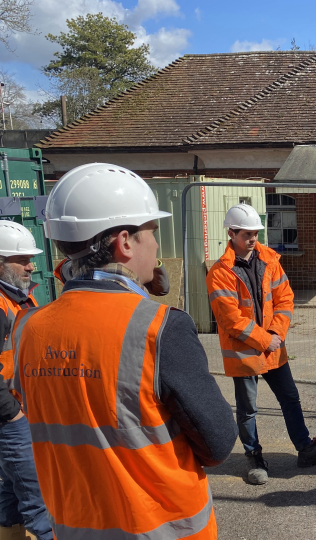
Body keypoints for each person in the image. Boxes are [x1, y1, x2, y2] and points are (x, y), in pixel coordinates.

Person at [11, 163, 238, 540]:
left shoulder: (27, 327)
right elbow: (218, 443)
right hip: (161, 530)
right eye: (153, 233)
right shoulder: (161, 327)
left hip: (74, 527)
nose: (156, 246)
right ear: (125, 242)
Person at [206, 204, 316, 485]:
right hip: (245, 350)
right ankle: (254, 457)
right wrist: (267, 339)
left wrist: (276, 333)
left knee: (290, 397)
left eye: (255, 233)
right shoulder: (219, 273)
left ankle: (306, 449)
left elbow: (285, 299)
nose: (252, 239)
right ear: (231, 234)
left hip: (272, 346)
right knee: (247, 409)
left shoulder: (270, 260)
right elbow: (230, 319)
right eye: (246, 234)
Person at [0, 222, 51, 540]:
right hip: (12, 417)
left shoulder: (19, 299)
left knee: (11, 493)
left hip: (21, 411)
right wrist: (12, 413)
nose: (31, 266)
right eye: (22, 260)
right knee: (40, 503)